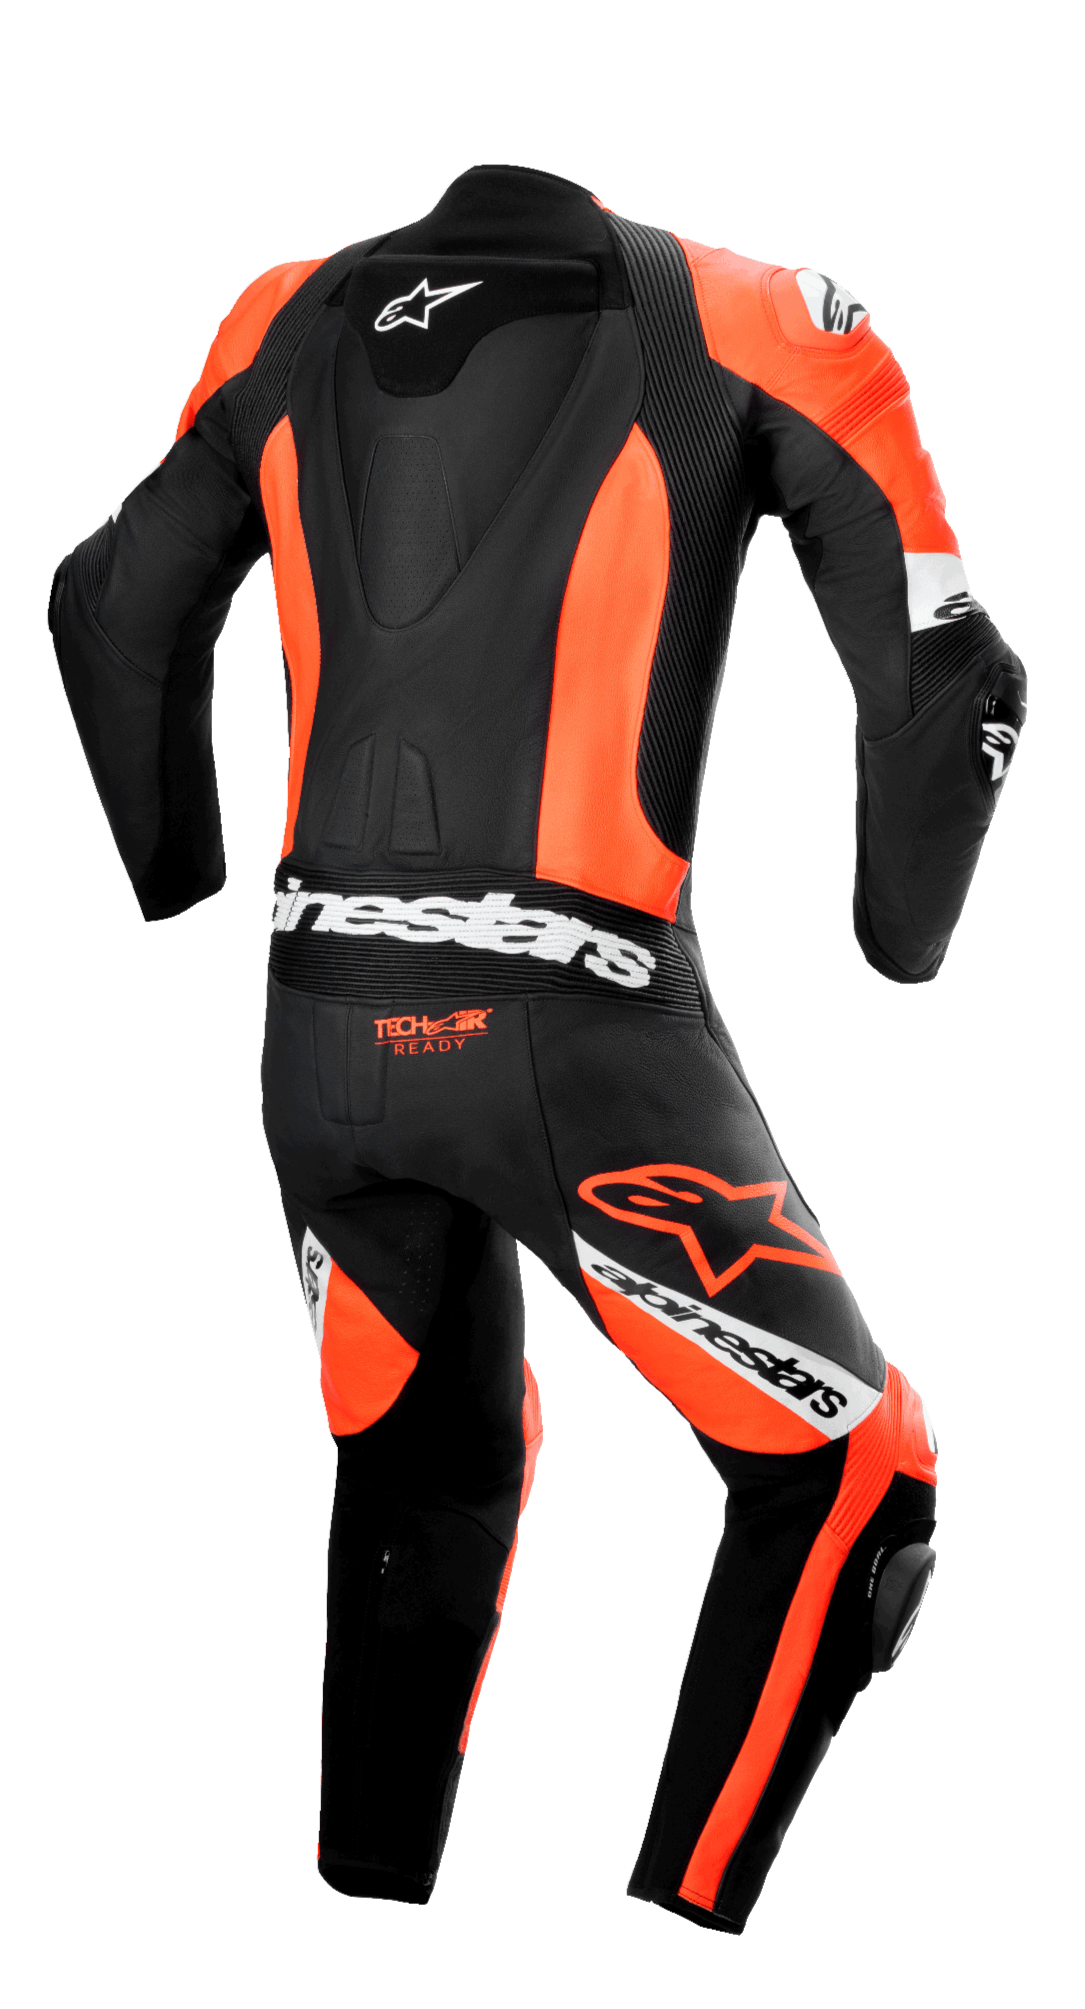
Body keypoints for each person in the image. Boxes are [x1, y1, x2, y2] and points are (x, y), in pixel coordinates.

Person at [47, 163, 1025, 1932]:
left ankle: (361, 1898)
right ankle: (685, 1916)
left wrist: (174, 871)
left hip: (318, 1042)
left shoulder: (284, 315)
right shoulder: (753, 317)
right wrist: (904, 944)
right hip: (573, 1032)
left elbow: (104, 607)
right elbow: (952, 681)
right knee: (857, 1478)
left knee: (426, 1461)